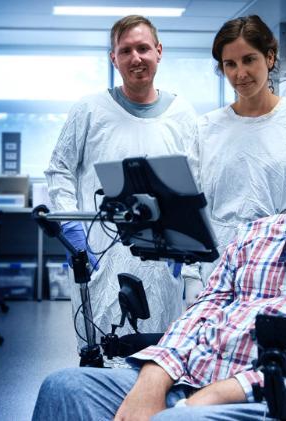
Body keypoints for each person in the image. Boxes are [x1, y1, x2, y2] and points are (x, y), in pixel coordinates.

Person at [32, 96, 286, 421]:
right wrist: (155, 377)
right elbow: (205, 308)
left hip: (282, 399)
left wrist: (222, 393)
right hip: (197, 375)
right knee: (65, 387)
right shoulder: (265, 230)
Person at [45, 15, 200, 346]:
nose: (136, 58)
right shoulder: (89, 110)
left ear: (159, 51)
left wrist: (186, 257)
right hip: (102, 256)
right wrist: (74, 229)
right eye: (126, 50)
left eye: (143, 48)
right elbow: (60, 169)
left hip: (164, 260)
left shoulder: (183, 114)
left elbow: (197, 184)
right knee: (103, 353)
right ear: (113, 58)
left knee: (160, 359)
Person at [183, 15, 286, 299]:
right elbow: (193, 208)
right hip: (217, 268)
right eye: (230, 64)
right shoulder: (206, 128)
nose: (240, 74)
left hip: (283, 267)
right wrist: (191, 276)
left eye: (249, 60)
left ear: (269, 57)